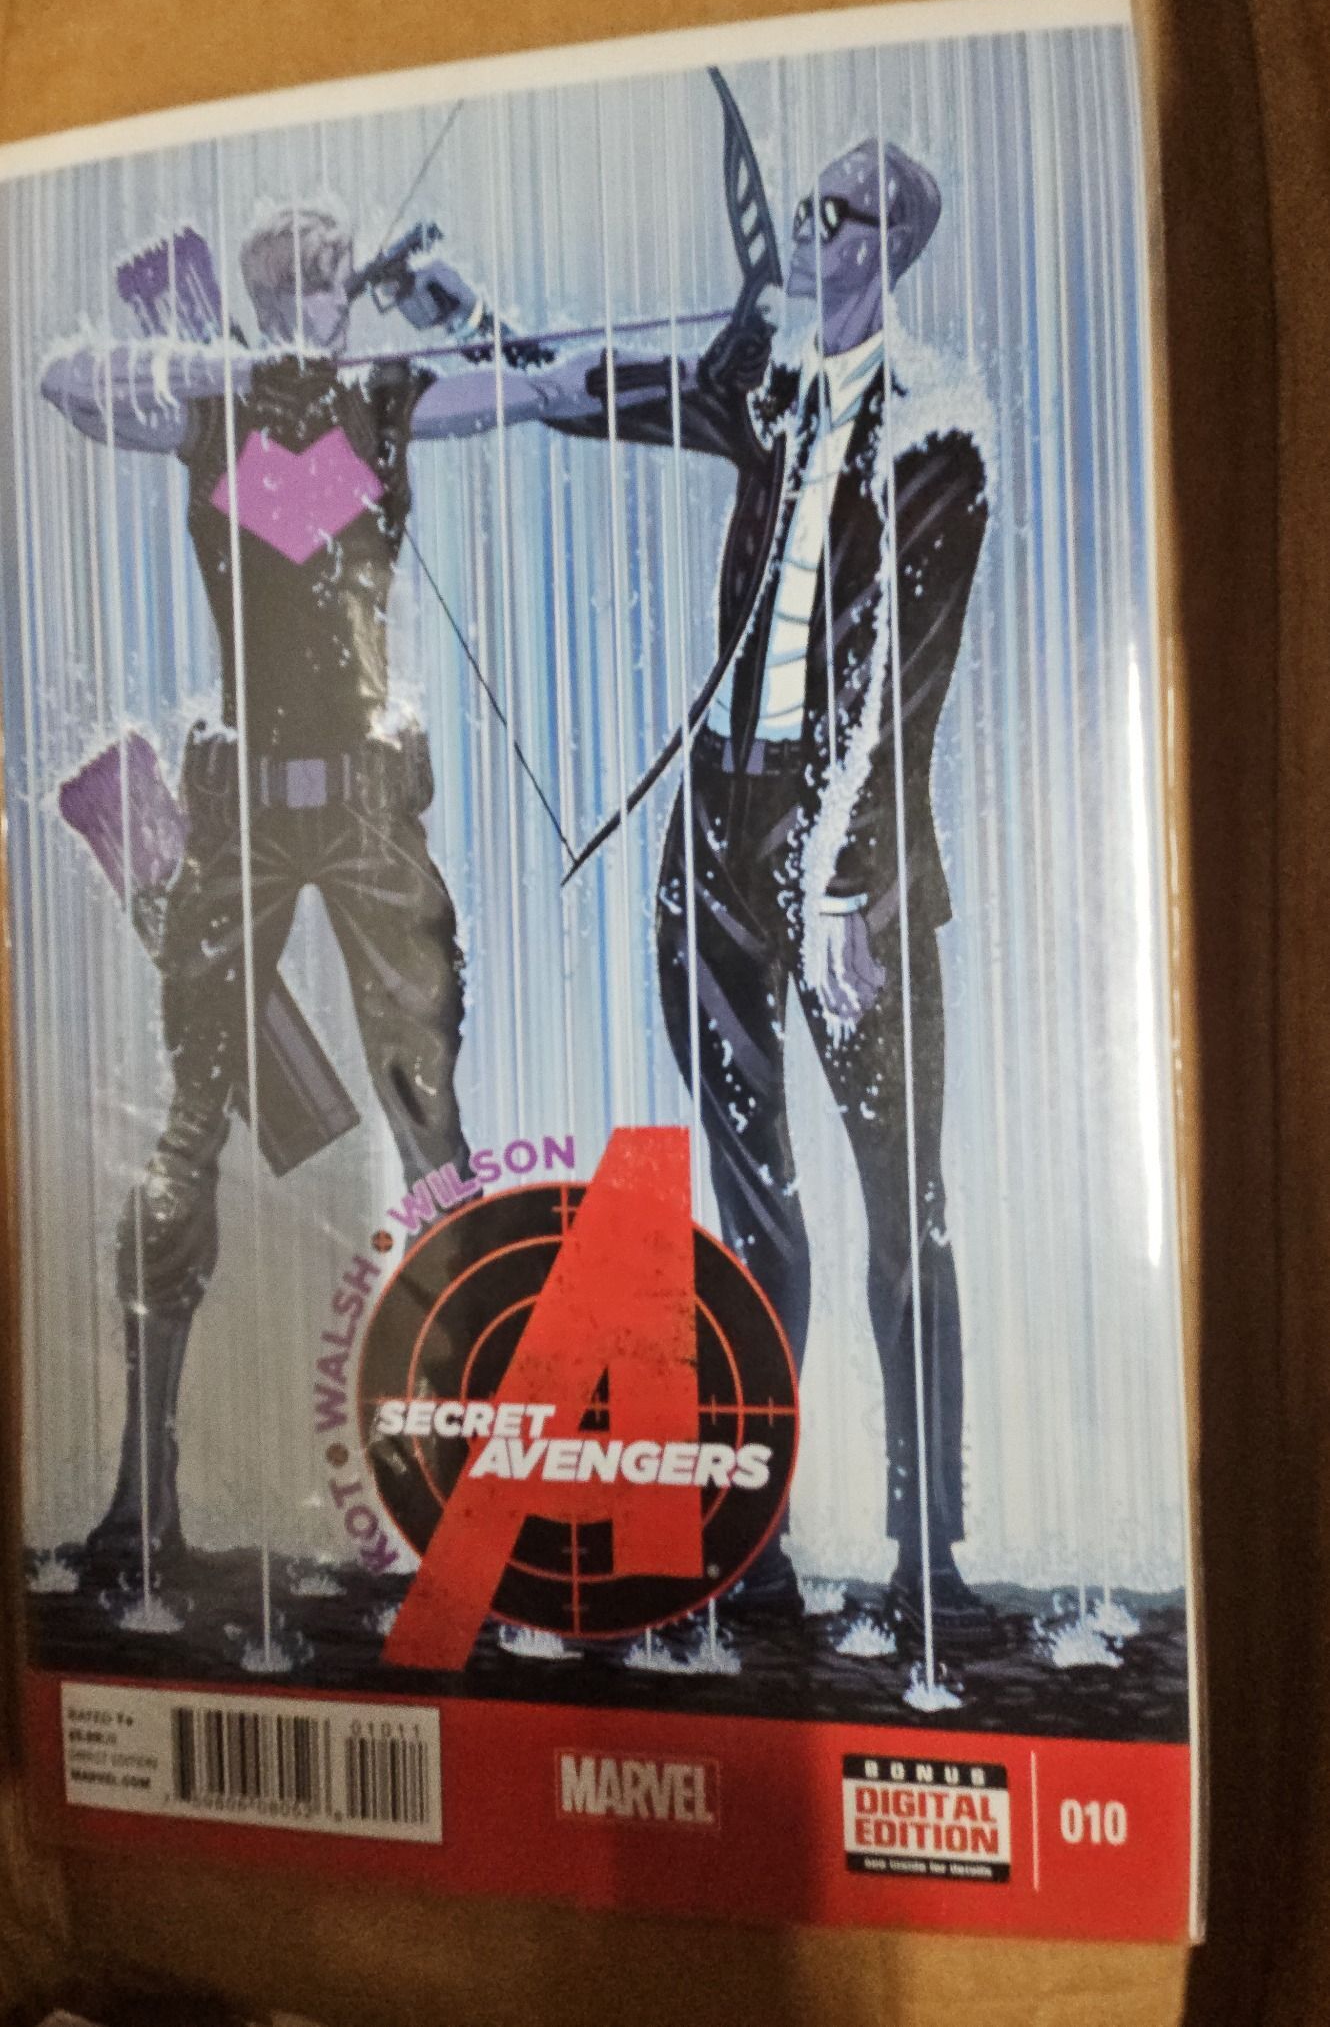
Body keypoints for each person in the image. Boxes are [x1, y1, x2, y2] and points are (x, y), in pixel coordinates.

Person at [397, 135, 992, 1641]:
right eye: (806, 200)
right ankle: (751, 1551)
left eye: (837, 209)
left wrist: (846, 884)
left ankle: (928, 1562)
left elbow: (904, 684)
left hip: (851, 870)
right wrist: (459, 316)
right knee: (756, 1209)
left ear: (893, 241)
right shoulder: (771, 390)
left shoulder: (938, 426)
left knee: (901, 1209)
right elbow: (590, 390)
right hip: (720, 841)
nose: (804, 224)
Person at [41, 200, 485, 1587]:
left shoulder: (383, 398)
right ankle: (144, 1494)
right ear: (258, 299)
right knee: (187, 1126)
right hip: (242, 802)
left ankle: (470, 1495)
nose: (315, 307)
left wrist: (456, 311)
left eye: (331, 287)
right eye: (290, 289)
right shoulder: (218, 408)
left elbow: (538, 385)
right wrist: (210, 372)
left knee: (431, 1128)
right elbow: (64, 380)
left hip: (365, 805)